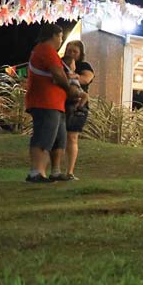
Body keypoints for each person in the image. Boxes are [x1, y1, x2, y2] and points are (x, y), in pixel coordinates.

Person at [24, 24, 87, 183]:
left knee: (58, 139)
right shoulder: (46, 50)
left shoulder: (46, 51)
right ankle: (36, 172)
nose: (61, 40)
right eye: (60, 37)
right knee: (44, 137)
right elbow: (58, 74)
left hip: (55, 103)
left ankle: (54, 172)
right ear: (54, 35)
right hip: (45, 102)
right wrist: (69, 89)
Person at [61, 41, 94, 180]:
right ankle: (56, 170)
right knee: (58, 136)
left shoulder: (84, 66)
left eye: (75, 51)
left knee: (72, 137)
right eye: (69, 50)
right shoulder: (60, 64)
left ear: (80, 53)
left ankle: (70, 171)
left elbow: (87, 79)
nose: (71, 54)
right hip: (61, 102)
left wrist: (75, 76)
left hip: (77, 104)